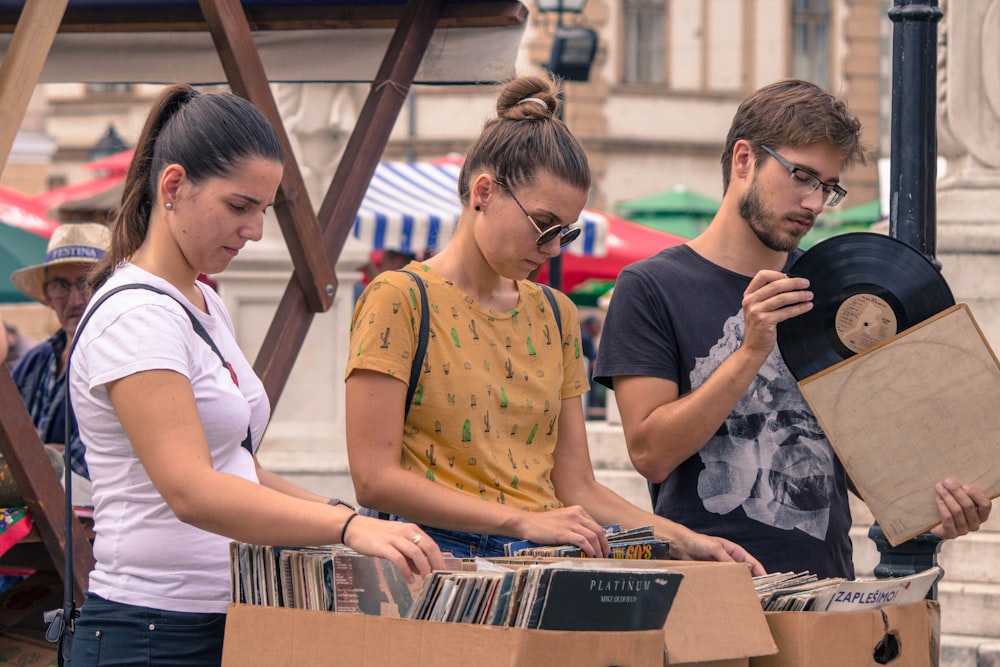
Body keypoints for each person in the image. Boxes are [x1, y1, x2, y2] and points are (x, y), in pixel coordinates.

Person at [68, 84, 444, 667]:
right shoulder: (138, 314)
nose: (255, 230)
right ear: (174, 186)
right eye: (240, 206)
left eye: (265, 210)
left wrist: (344, 517)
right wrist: (344, 527)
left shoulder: (201, 302)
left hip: (216, 616)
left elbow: (238, 468)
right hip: (152, 630)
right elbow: (192, 489)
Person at [345, 74, 764, 573]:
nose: (553, 247)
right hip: (439, 562)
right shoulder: (399, 298)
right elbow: (373, 479)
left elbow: (576, 486)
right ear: (484, 191)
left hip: (544, 555)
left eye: (565, 231)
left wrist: (683, 538)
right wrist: (521, 521)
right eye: (544, 225)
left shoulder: (555, 313)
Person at [594, 79, 993, 579]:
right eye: (802, 176)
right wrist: (748, 352)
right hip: (709, 592)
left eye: (827, 187)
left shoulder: (835, 293)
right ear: (744, 160)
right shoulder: (651, 285)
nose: (814, 203)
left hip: (825, 589)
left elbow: (867, 460)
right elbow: (650, 454)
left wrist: (934, 508)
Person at [10, 222, 111, 504]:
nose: (75, 299)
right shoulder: (34, 361)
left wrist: (40, 457)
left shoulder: (118, 358)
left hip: (94, 528)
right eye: (61, 285)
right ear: (46, 293)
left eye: (86, 283)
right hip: (37, 522)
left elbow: (101, 459)